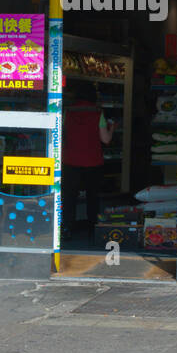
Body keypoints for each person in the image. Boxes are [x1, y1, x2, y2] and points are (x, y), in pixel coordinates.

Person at [62, 80, 114, 237]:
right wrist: (112, 128)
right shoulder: (98, 113)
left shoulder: (68, 111)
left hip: (70, 160)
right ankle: (93, 229)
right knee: (93, 197)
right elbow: (105, 139)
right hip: (93, 162)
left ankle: (67, 229)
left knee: (69, 197)